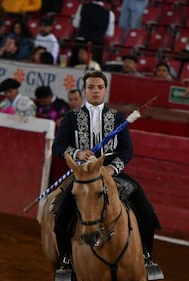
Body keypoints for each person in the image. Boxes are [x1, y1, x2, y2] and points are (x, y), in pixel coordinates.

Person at [52, 71, 162, 279]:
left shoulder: (117, 117)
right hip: (84, 175)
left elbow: (126, 149)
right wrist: (77, 153)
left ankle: (147, 257)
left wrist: (113, 169)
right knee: (61, 217)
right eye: (91, 87)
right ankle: (66, 261)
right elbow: (57, 147)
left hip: (113, 172)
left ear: (105, 90)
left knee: (147, 213)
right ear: (85, 90)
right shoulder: (71, 118)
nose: (95, 91)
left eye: (100, 87)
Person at [71, 0, 115, 66]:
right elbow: (109, 34)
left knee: (75, 67)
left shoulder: (82, 7)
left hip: (81, 43)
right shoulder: (110, 13)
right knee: (94, 71)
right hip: (96, 45)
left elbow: (75, 24)